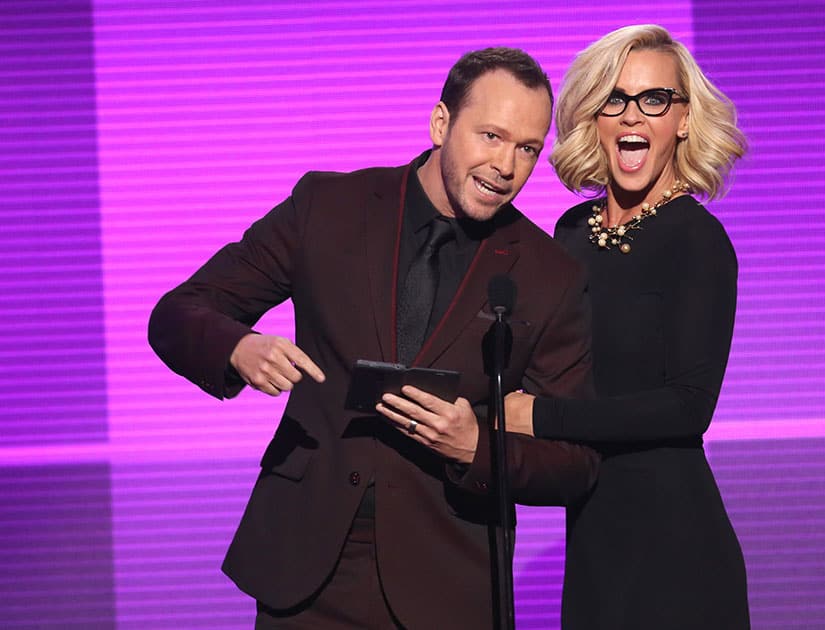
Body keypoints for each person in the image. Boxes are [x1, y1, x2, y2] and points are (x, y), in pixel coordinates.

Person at [148, 47, 599, 630]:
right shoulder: (328, 208)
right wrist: (239, 347)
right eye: (491, 136)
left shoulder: (548, 275)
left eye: (527, 148)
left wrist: (475, 447)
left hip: (448, 581)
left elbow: (577, 464)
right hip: (306, 568)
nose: (506, 165)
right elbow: (179, 312)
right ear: (442, 123)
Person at [503, 25, 751, 628]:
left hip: (677, 548)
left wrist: (537, 416)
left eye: (654, 99)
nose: (632, 114)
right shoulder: (569, 234)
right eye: (614, 98)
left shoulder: (695, 239)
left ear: (684, 119)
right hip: (592, 538)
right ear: (595, 117)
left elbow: (687, 406)